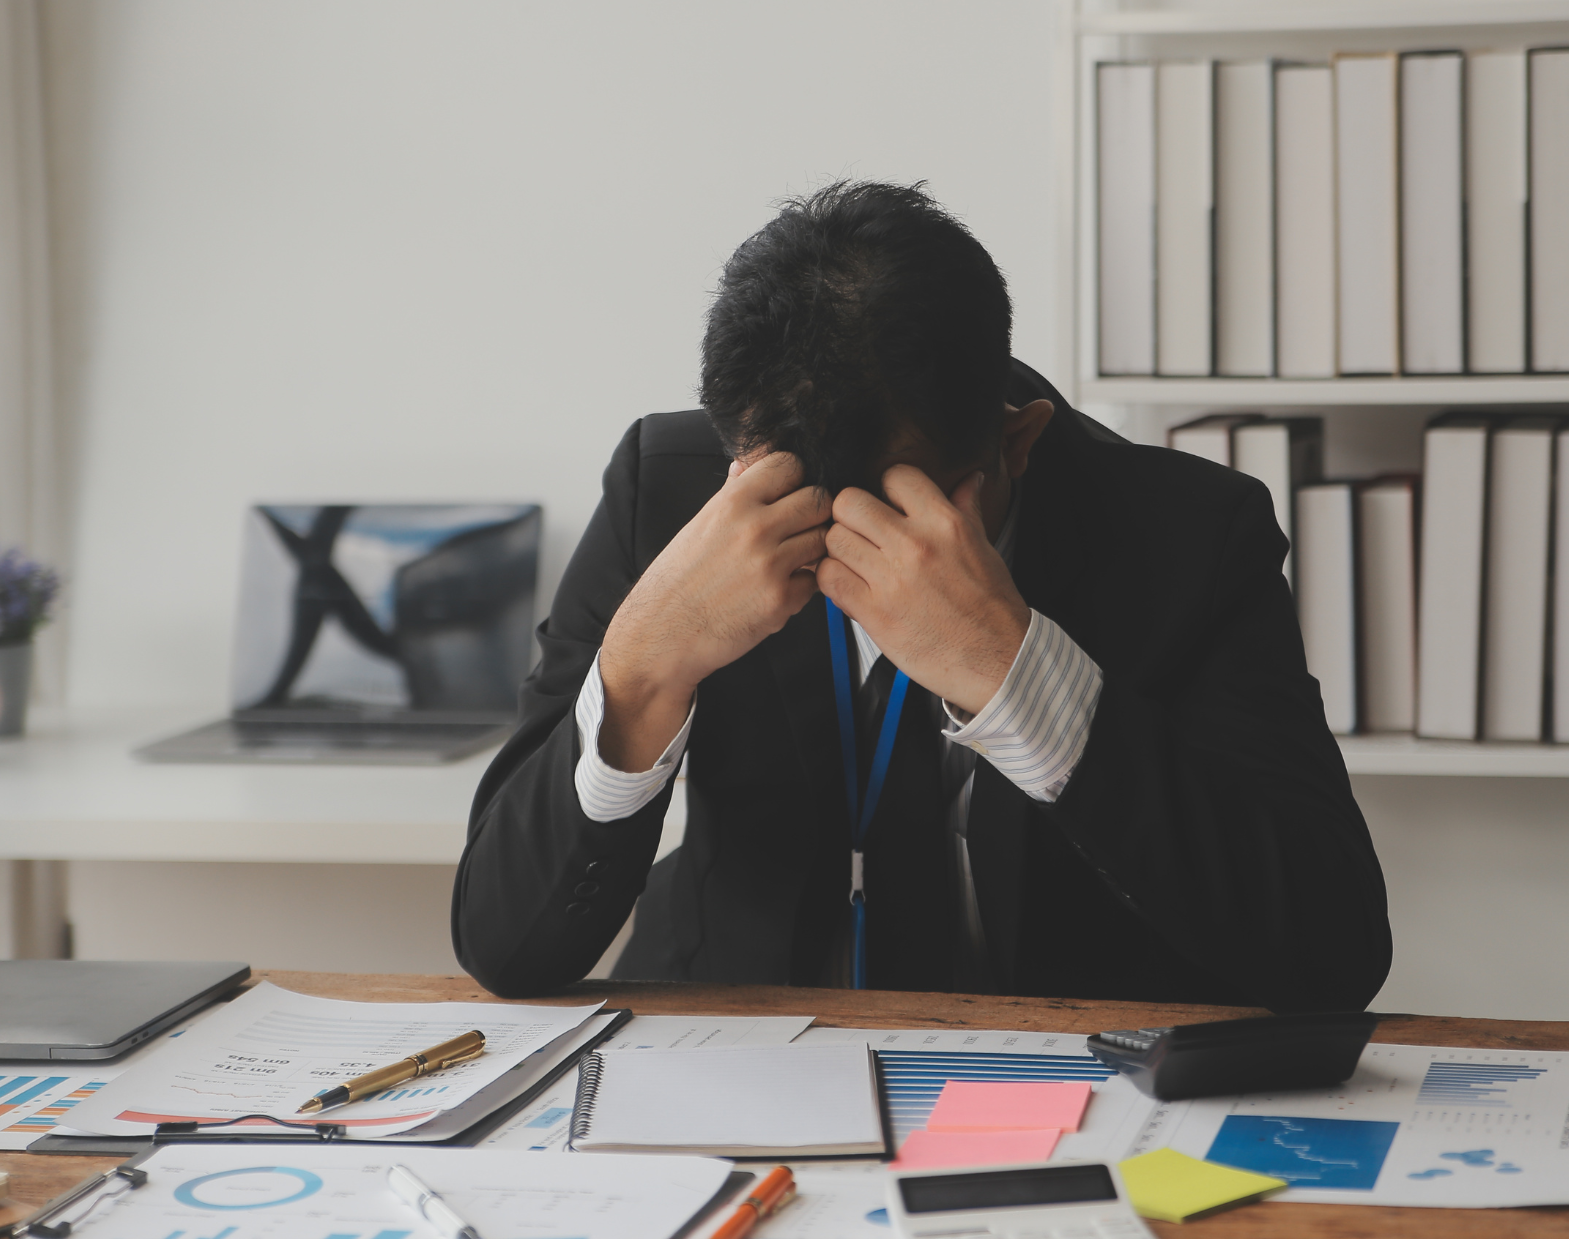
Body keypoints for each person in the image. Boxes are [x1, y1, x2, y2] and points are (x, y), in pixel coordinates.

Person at [452, 180, 1391, 1010]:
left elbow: (1332, 954)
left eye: (893, 511)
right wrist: (642, 667)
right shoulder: (667, 492)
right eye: (789, 504)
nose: (841, 558)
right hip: (738, 1056)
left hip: (1070, 1079)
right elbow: (504, 943)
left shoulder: (1186, 534)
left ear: (1014, 442)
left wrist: (1018, 674)